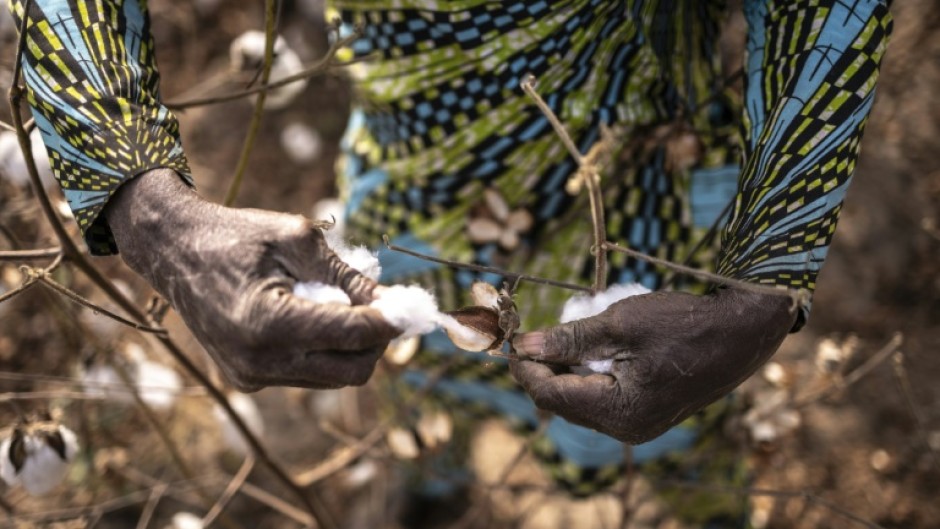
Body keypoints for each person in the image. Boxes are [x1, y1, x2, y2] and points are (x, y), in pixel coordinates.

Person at [10, 0, 891, 520]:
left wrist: (769, 270)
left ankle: (690, 503)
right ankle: (436, 474)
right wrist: (149, 212)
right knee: (417, 378)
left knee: (665, 417)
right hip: (411, 186)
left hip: (648, 183)